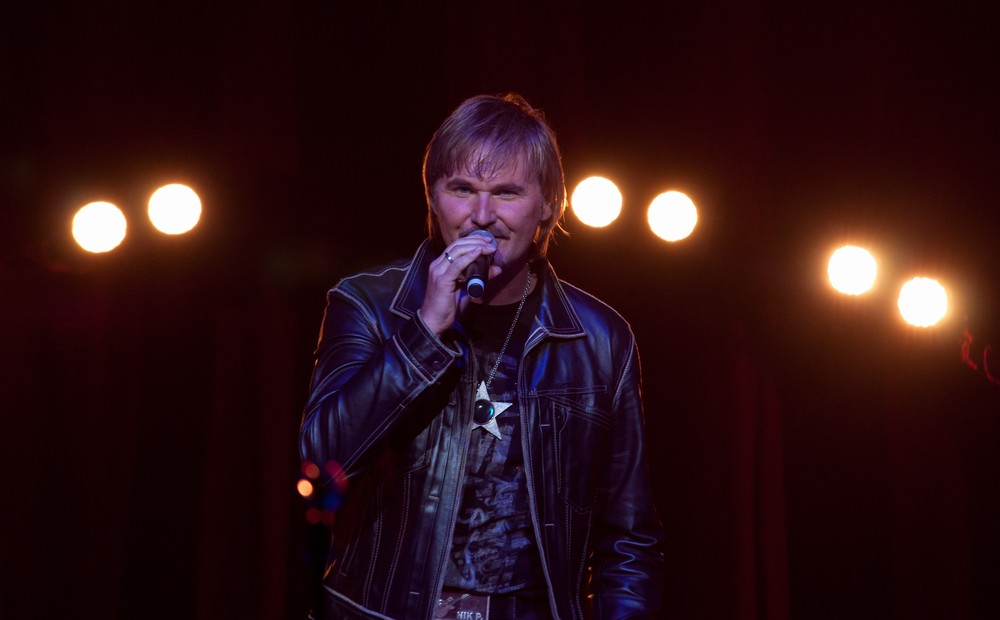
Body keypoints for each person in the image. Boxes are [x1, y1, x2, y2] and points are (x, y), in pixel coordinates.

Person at [300, 93, 665, 619]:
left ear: (548, 205)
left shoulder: (600, 340)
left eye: (507, 193)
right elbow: (321, 462)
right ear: (433, 197)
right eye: (462, 189)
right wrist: (423, 333)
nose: (482, 216)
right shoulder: (370, 306)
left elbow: (628, 540)